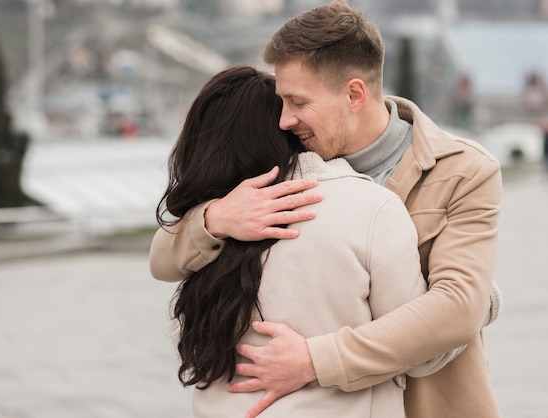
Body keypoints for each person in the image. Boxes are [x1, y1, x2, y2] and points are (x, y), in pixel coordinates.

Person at [150, 2, 503, 417]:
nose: (283, 119)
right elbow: (163, 259)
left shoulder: (464, 170)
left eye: (298, 102)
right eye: (281, 100)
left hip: (429, 405)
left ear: (354, 94)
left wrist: (313, 360)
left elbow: (456, 307)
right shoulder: (281, 155)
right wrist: (214, 220)